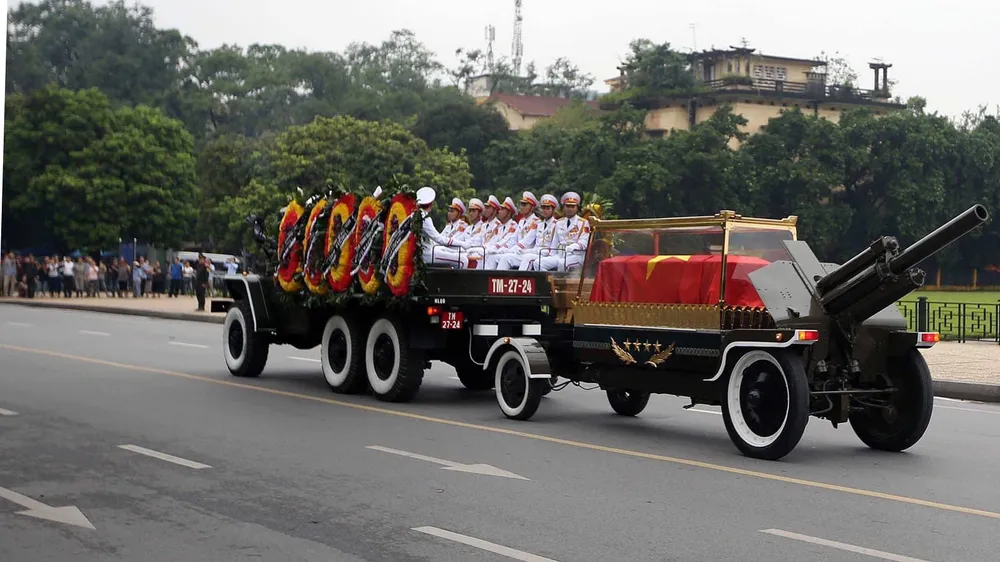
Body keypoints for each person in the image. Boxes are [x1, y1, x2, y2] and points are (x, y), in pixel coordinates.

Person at [416, 188, 469, 268]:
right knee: (463, 260)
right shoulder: (425, 218)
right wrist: (462, 244)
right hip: (427, 253)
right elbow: (439, 239)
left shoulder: (417, 215)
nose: (449, 213)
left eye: (452, 211)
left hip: (425, 250)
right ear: (431, 204)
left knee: (456, 254)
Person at [540, 191, 591, 271]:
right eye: (567, 206)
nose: (570, 209)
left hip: (576, 255)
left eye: (572, 206)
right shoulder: (559, 222)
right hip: (560, 254)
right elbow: (554, 242)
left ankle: (560, 283)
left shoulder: (583, 223)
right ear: (563, 207)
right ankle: (547, 282)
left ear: (577, 207)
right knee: (539, 262)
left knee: (562, 263)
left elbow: (584, 243)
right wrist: (550, 255)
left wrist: (572, 247)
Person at [492, 191, 541, 270]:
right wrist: (503, 249)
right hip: (516, 252)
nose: (521, 207)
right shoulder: (521, 221)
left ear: (531, 207)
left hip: (526, 252)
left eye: (524, 205)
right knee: (493, 257)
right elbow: (513, 239)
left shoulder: (536, 221)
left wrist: (511, 250)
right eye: (521, 204)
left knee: (505, 258)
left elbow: (527, 241)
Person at [517, 194, 560, 271]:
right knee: (522, 254)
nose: (545, 211)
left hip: (548, 255)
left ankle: (522, 280)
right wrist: (525, 251)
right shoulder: (539, 225)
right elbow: (536, 246)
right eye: (543, 208)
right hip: (537, 252)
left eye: (548, 208)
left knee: (528, 258)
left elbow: (553, 248)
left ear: (553, 210)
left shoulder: (557, 224)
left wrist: (535, 252)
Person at [483, 197, 520, 269]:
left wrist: (495, 249)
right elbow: (494, 240)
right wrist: (486, 248)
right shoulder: (499, 227)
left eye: (502, 210)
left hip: (509, 251)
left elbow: (506, 241)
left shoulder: (513, 225)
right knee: (486, 255)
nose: (499, 211)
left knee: (492, 257)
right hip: (500, 251)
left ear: (509, 213)